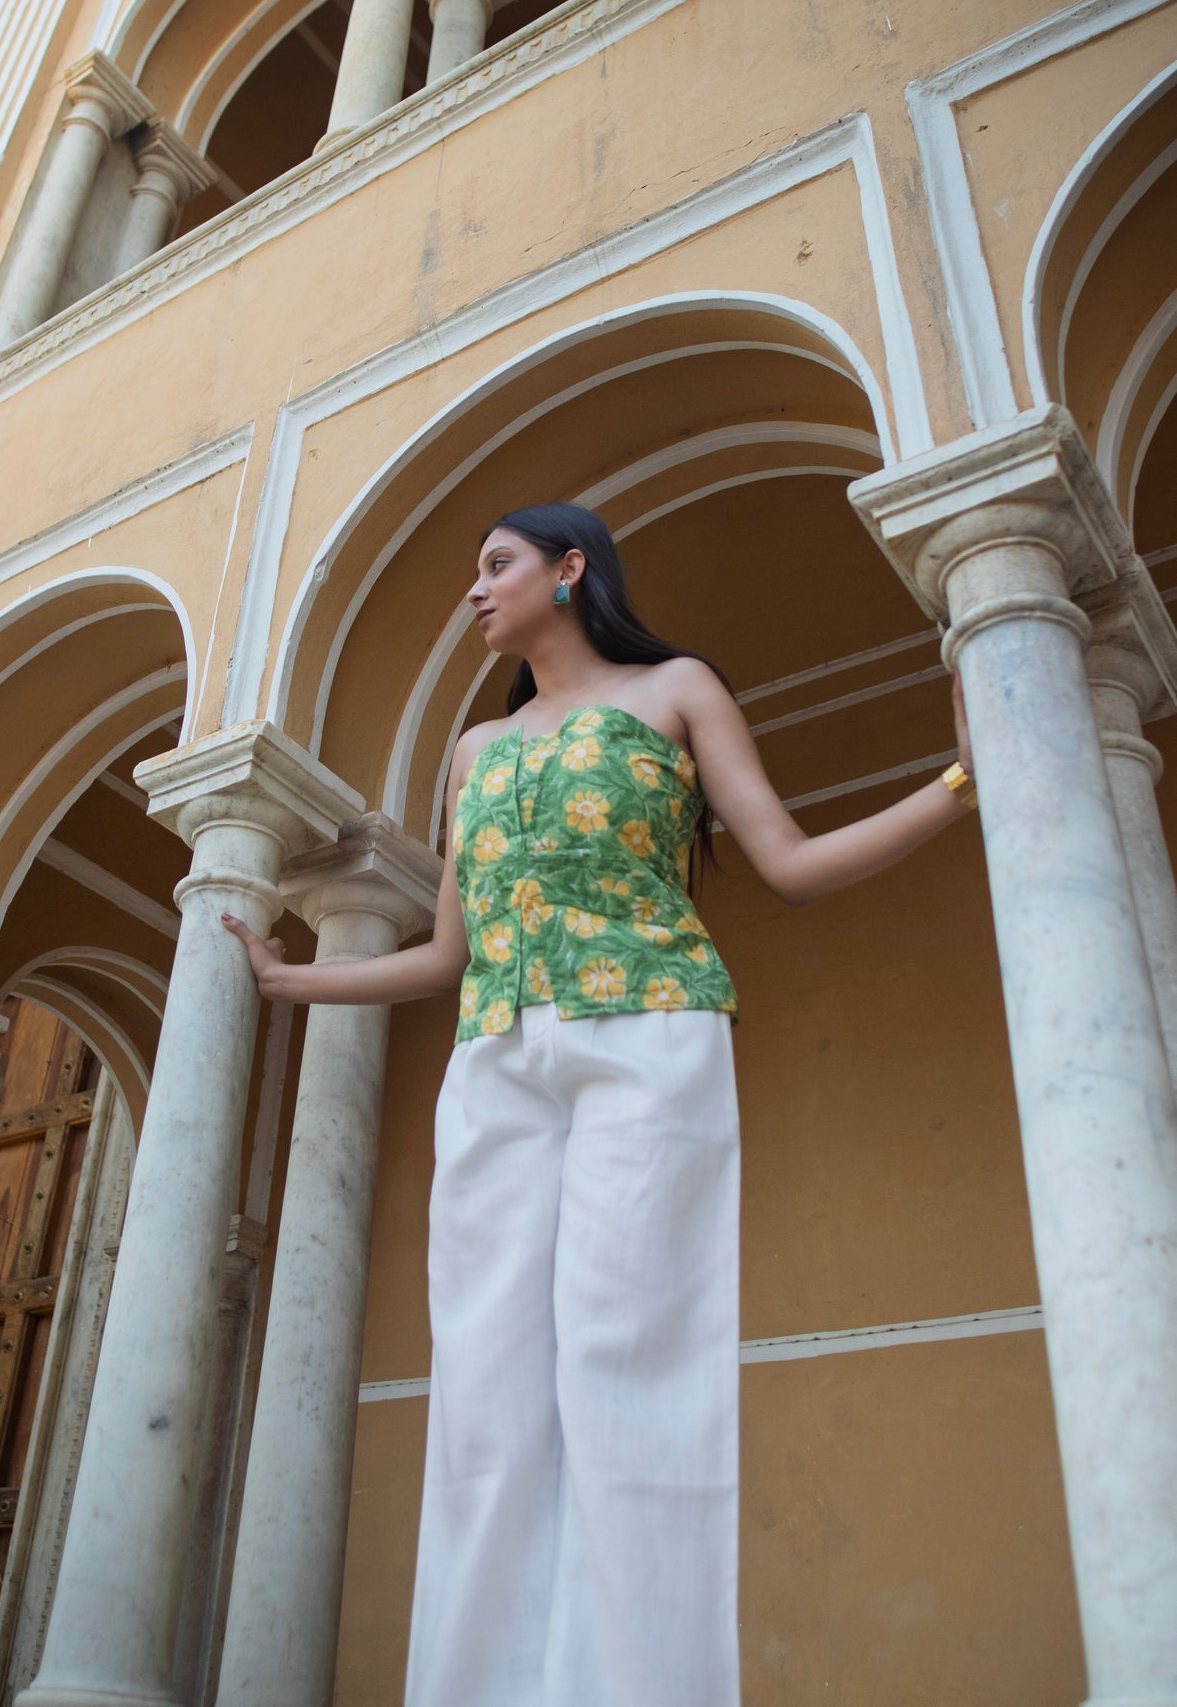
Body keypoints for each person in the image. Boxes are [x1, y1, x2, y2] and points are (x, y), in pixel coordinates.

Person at [222, 501, 976, 1707]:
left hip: (646, 1033)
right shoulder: (474, 749)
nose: (475, 589)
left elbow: (787, 863)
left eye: (497, 564)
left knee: (628, 1361)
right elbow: (446, 955)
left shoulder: (675, 691)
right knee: (484, 1391)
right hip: (494, 1061)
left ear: (569, 568)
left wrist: (957, 781)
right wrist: (285, 980)